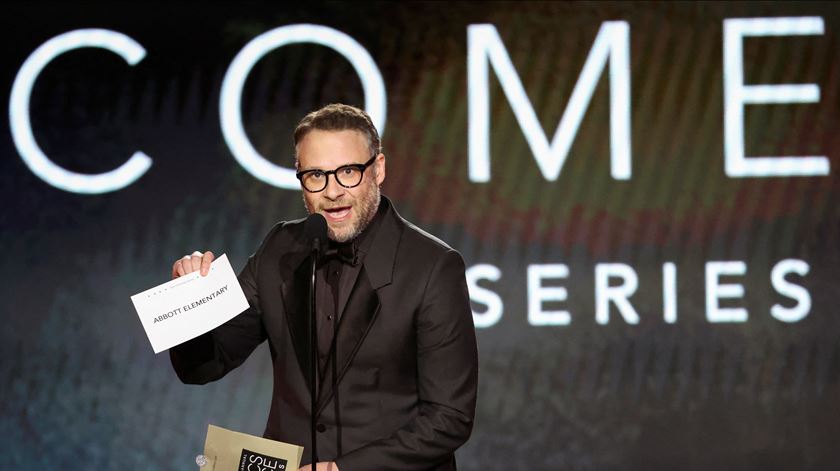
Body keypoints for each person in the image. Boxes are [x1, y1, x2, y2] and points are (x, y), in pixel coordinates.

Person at [169, 103, 478, 471]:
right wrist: (189, 305)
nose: (332, 192)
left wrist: (343, 469)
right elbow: (205, 366)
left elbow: (450, 417)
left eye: (347, 172)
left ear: (378, 169)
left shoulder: (431, 266)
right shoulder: (279, 250)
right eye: (316, 175)